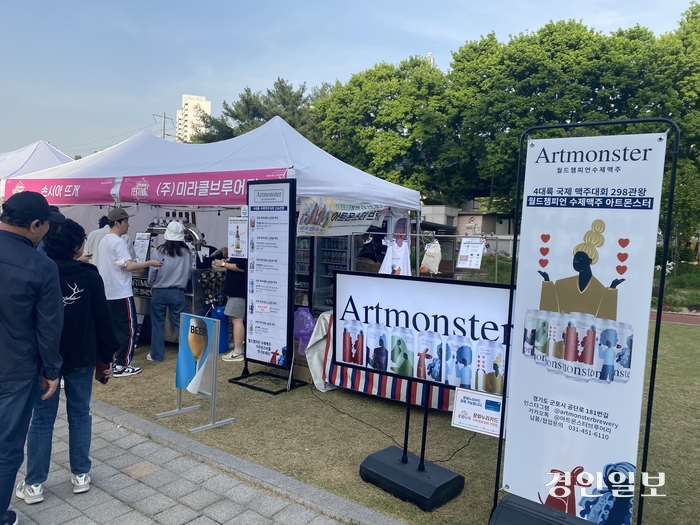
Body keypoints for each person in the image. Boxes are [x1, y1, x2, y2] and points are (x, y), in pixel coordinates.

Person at [16, 219, 117, 506]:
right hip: (82, 355)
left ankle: (34, 482)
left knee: (42, 418)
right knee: (79, 413)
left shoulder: (38, 270)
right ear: (77, 245)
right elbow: (102, 318)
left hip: (46, 357)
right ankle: (81, 474)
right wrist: (105, 358)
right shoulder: (88, 274)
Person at [0, 191, 64, 525]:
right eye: (45, 226)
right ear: (34, 224)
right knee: (6, 447)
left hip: (14, 366)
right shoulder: (40, 265)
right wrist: (52, 369)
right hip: (15, 368)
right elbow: (49, 326)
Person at [98, 208, 162, 377]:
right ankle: (122, 364)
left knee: (113, 328)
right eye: (125, 221)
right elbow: (127, 265)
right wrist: (149, 263)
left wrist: (135, 268)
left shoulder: (104, 240)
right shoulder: (119, 242)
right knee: (128, 329)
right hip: (120, 291)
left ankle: (113, 361)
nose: (128, 225)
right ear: (116, 223)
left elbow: (121, 266)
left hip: (107, 291)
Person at [538, 219, 624, 320]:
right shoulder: (562, 284)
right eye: (575, 258)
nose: (576, 261)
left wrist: (612, 289)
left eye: (580, 259)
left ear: (589, 261)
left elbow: (605, 316)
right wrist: (547, 282)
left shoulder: (600, 289)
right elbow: (551, 305)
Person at [147, 222, 193, 362]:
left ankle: (157, 355)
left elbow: (152, 273)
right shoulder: (187, 253)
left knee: (158, 324)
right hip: (178, 292)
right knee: (181, 324)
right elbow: (189, 271)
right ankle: (186, 355)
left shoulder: (158, 251)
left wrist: (151, 285)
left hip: (159, 291)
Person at [214, 248, 247, 362]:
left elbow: (241, 267)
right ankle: (239, 347)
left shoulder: (243, 249)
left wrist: (223, 263)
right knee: (239, 319)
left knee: (236, 319)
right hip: (239, 291)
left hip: (238, 291)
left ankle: (238, 351)